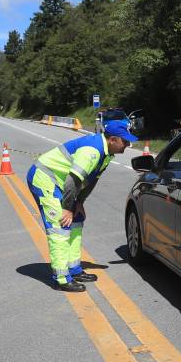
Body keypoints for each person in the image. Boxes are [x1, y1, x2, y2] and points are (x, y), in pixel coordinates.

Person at [26, 119, 138, 292]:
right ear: (113, 139)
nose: (128, 145)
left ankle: (74, 269)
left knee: (76, 220)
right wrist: (67, 207)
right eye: (125, 141)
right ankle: (62, 279)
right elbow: (73, 180)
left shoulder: (107, 153)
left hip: (62, 183)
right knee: (60, 226)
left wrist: (79, 203)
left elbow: (91, 180)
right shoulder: (92, 151)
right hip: (45, 179)